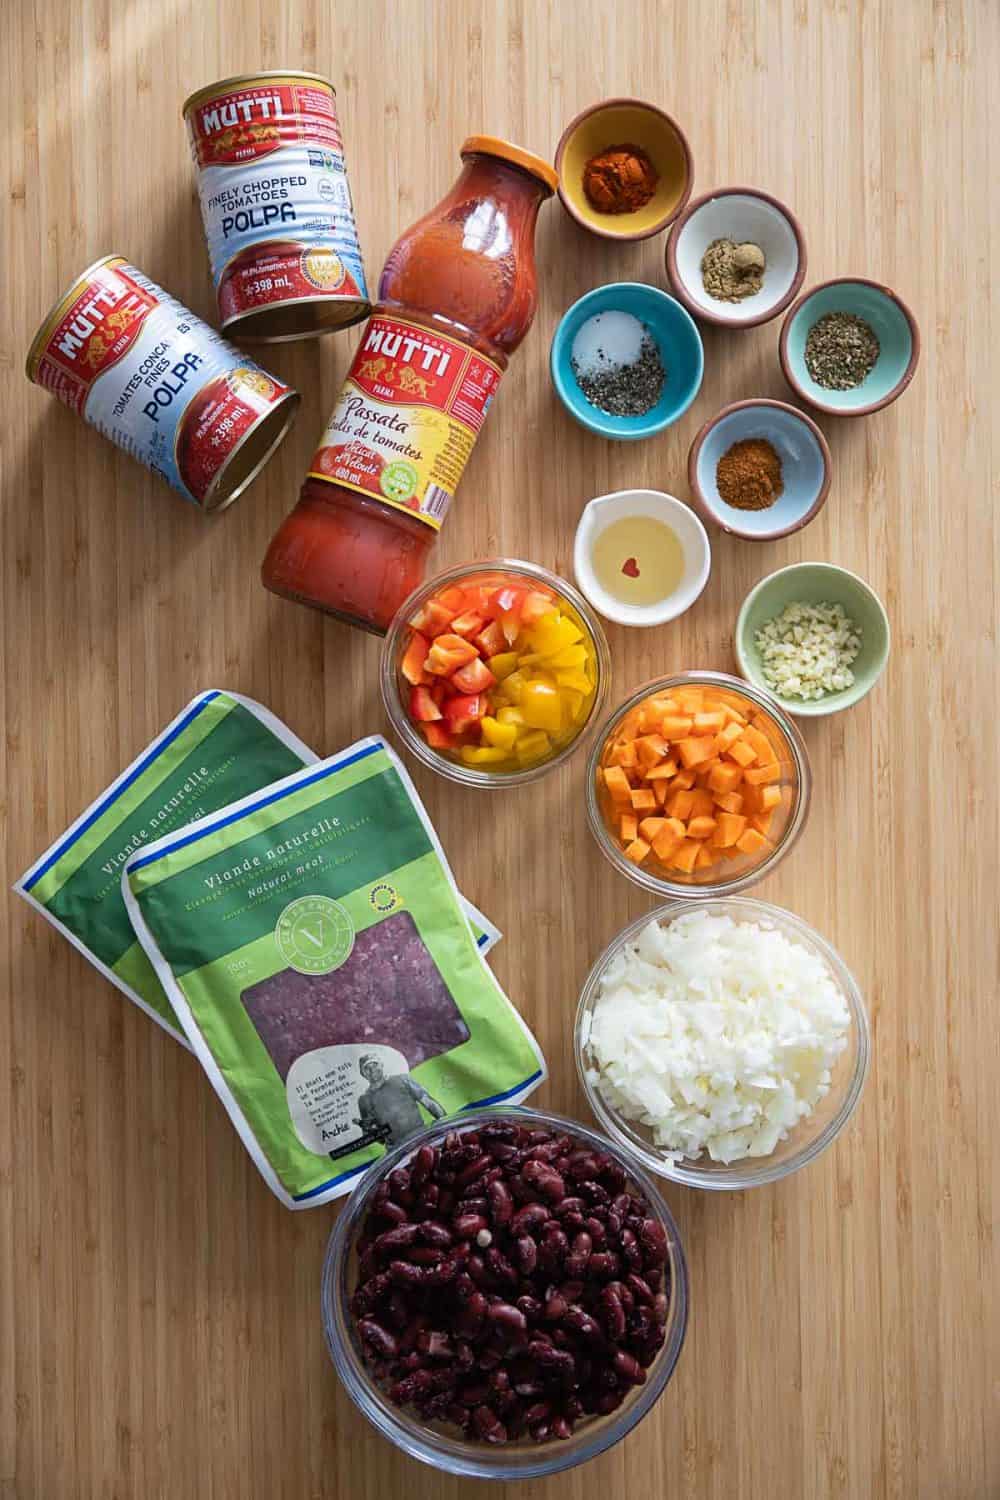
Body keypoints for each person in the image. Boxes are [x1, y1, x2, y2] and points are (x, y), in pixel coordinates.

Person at [353, 1055, 445, 1146]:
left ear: (381, 1065)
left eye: (375, 1065)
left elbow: (429, 1103)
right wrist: (368, 1129)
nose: (372, 1070)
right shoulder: (364, 1100)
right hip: (396, 1148)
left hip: (422, 1137)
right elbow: (380, 1140)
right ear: (363, 1074)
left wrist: (445, 1124)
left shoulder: (403, 1079)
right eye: (367, 1068)